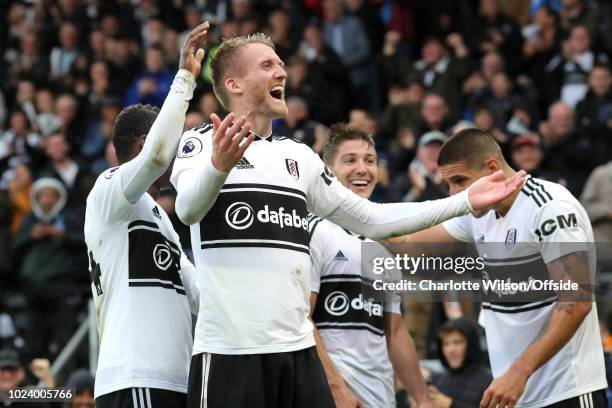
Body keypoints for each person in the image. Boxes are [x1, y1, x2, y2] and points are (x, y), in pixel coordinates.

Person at [170, 33, 525, 407]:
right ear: (233, 83)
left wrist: (466, 200)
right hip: (230, 351)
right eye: (268, 65)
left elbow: (373, 219)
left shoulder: (299, 158)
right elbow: (188, 210)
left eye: (280, 63)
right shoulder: (201, 142)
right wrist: (217, 167)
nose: (283, 72)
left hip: (298, 352)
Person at [390, 128, 608, 407]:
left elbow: (576, 303)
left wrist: (519, 372)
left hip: (566, 391)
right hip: (515, 394)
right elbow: (408, 243)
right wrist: (350, 216)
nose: (454, 194)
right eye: (448, 184)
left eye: (459, 181)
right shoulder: (478, 214)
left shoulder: (550, 206)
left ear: (492, 167)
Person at [84, 22, 209, 407]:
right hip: (135, 376)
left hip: (175, 381)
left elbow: (201, 296)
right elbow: (156, 157)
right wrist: (185, 80)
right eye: (174, 139)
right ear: (144, 141)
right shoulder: (107, 192)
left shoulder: (159, 219)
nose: (180, 151)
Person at [308, 123, 433, 407]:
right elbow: (300, 320)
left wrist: (424, 399)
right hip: (332, 397)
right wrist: (337, 387)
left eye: (370, 161)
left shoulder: (382, 246)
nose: (362, 169)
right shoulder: (316, 231)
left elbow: (395, 332)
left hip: (380, 398)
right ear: (327, 171)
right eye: (350, 160)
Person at [426, 318, 493, 408]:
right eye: (445, 344)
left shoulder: (488, 382)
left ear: (471, 344)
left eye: (457, 342)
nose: (451, 350)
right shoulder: (437, 380)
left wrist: (451, 405)